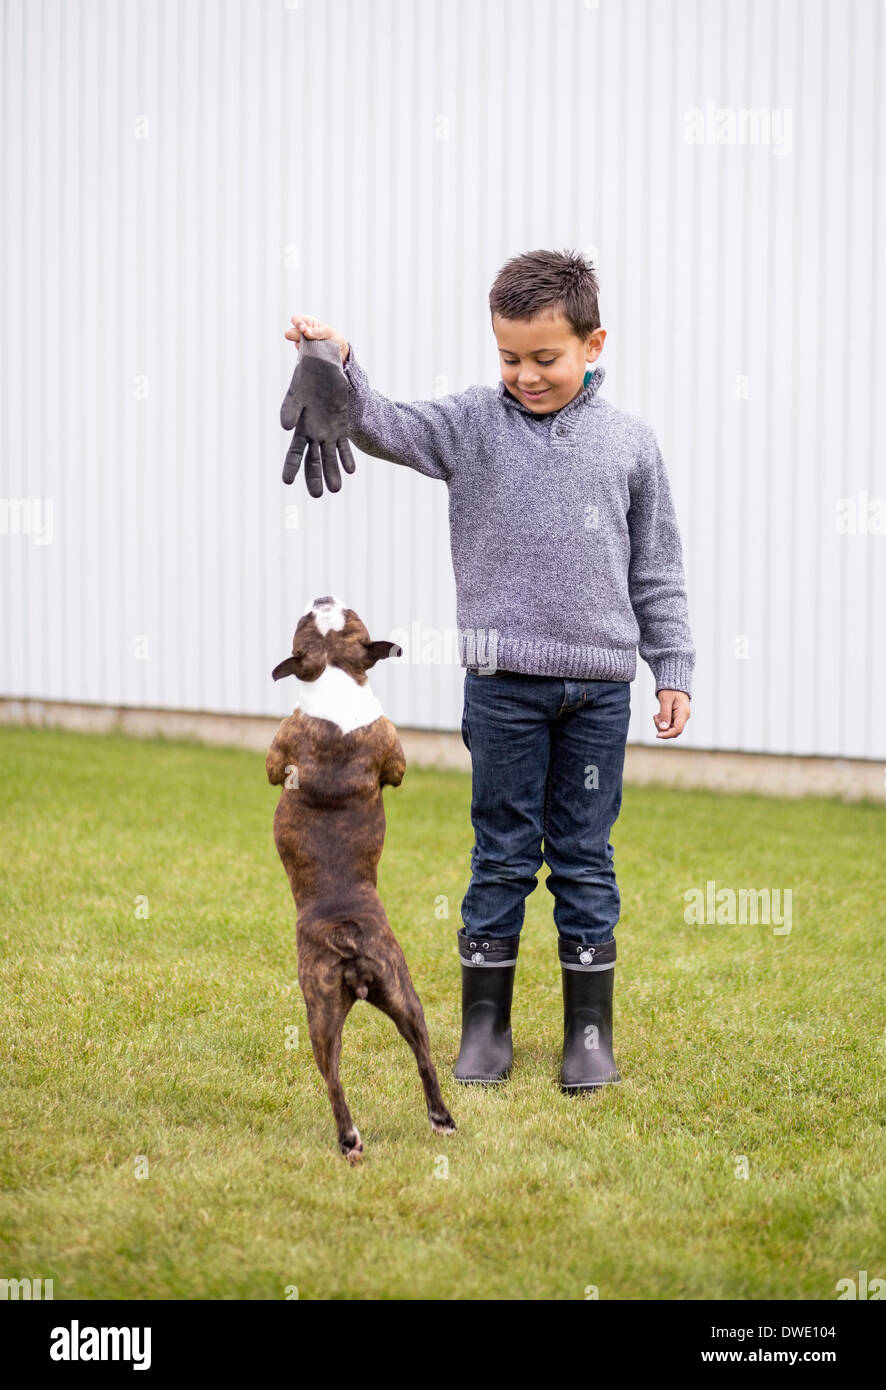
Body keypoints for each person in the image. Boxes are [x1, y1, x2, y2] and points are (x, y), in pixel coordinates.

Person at [283, 246, 695, 1093]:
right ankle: (485, 1030)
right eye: (509, 357)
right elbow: (383, 423)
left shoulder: (631, 446)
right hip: (502, 687)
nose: (526, 375)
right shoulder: (473, 425)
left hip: (598, 693)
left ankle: (588, 1033)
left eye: (546, 358)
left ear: (594, 343)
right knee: (502, 851)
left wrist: (674, 667)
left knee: (584, 855)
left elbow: (657, 569)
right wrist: (341, 361)